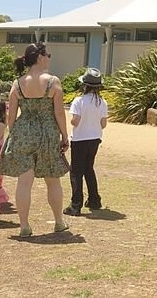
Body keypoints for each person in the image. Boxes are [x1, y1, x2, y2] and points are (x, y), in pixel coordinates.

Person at [0, 42, 70, 237]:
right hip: (47, 132)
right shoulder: (53, 81)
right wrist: (64, 135)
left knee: (24, 182)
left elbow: (10, 115)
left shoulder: (18, 83)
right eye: (48, 54)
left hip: (23, 131)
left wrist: (15, 133)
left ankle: (24, 226)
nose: (49, 58)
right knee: (52, 180)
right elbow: (59, 113)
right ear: (40, 57)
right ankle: (58, 221)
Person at [64, 68, 109, 216]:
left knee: (76, 171)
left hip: (80, 139)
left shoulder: (79, 101)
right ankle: (94, 199)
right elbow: (103, 124)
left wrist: (71, 120)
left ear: (85, 85)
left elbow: (75, 122)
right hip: (95, 138)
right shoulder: (102, 102)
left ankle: (76, 204)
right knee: (89, 168)